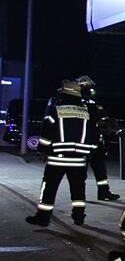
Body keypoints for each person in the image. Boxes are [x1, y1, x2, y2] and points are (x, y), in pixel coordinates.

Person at [26, 80, 98, 227]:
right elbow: (93, 135)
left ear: (64, 94)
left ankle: (43, 217)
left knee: (49, 189)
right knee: (78, 191)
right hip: (79, 160)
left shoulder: (56, 109)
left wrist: (42, 150)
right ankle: (79, 218)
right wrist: (89, 152)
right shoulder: (85, 112)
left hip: (57, 159)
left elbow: (47, 132)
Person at [77, 75, 121, 201]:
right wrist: (98, 122)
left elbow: (102, 115)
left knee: (100, 169)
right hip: (84, 142)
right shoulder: (78, 102)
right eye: (88, 86)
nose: (90, 89)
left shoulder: (94, 101)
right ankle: (79, 194)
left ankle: (104, 192)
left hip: (96, 141)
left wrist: (107, 122)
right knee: (81, 171)